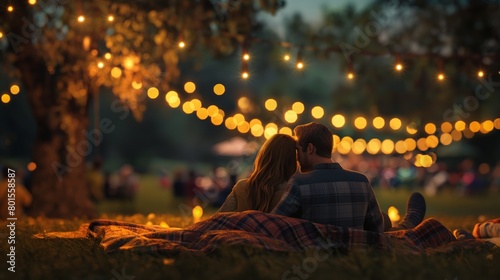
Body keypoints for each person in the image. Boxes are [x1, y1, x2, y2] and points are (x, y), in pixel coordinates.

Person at [271, 122, 425, 233]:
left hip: (315, 255)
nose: (296, 156)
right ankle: (408, 225)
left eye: (297, 149)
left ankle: (407, 225)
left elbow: (272, 224)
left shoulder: (300, 183)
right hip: (357, 250)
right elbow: (377, 230)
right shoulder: (361, 181)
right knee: (390, 228)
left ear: (310, 149)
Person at [218, 134, 297, 213]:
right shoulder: (292, 193)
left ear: (263, 156)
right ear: (293, 161)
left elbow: (218, 219)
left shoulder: (241, 187)